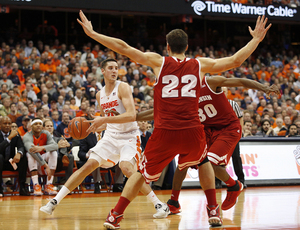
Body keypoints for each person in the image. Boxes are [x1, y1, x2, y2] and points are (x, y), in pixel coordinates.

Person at [75, 11, 271, 229]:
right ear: (187, 47)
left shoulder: (158, 62)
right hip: (192, 131)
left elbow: (124, 47)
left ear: (167, 47)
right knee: (203, 160)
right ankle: (213, 210)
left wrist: (93, 34)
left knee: (141, 174)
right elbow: (236, 60)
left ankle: (115, 215)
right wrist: (255, 39)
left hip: (165, 131)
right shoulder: (200, 65)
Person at [40, 58, 166, 219]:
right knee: (87, 166)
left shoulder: (123, 87)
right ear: (103, 71)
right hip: (111, 136)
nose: (114, 71)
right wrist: (95, 127)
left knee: (127, 168)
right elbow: (110, 120)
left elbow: (130, 115)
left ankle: (159, 204)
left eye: (116, 68)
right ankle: (54, 202)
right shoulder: (100, 95)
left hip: (129, 136)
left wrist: (104, 120)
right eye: (111, 68)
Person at [23, 118, 59, 195]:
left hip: (43, 159)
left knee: (54, 153)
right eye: (36, 124)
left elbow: (55, 146)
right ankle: (36, 185)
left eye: (40, 124)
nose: (38, 125)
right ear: (31, 126)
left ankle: (49, 185)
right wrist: (45, 165)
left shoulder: (46, 133)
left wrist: (42, 148)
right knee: (30, 154)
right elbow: (32, 151)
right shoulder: (27, 136)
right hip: (32, 164)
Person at [0, 116, 29, 196]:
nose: (7, 125)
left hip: (11, 163)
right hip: (1, 163)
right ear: (0, 125)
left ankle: (22, 188)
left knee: (23, 158)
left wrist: (19, 153)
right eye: (5, 123)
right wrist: (9, 138)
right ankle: (0, 189)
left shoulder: (16, 134)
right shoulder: (11, 135)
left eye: (9, 123)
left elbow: (21, 146)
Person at [43, 119, 74, 185]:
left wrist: (68, 146)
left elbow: (67, 147)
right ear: (43, 128)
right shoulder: (42, 138)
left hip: (59, 162)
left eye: (51, 126)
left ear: (53, 128)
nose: (49, 127)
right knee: (55, 153)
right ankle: (64, 156)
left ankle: (68, 184)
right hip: (46, 163)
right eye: (47, 126)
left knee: (70, 156)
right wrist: (57, 146)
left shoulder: (58, 138)